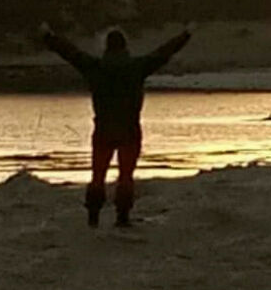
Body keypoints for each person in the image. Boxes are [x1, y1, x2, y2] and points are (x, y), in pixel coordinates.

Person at [40, 22, 192, 228]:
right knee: (126, 176)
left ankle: (93, 217)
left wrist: (49, 36)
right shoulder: (137, 67)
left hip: (103, 129)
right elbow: (163, 53)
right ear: (125, 47)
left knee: (98, 175)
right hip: (129, 129)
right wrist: (185, 36)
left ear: (107, 48)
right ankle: (122, 217)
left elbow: (70, 52)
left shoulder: (95, 67)